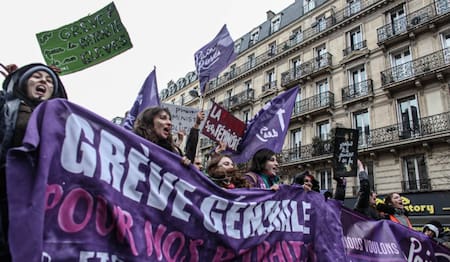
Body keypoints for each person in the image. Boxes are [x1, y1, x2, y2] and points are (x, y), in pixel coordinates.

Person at [0, 63, 68, 261]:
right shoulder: (6, 104)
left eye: (48, 81)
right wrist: (11, 81)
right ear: (23, 83)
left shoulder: (60, 117)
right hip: (6, 186)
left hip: (42, 194)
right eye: (36, 77)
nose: (43, 82)